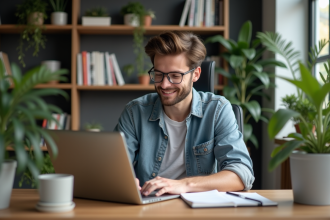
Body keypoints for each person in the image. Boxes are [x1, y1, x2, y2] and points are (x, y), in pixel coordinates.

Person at [114, 31, 254, 197]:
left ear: (195, 74)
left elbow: (241, 174)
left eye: (175, 76)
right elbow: (113, 167)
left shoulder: (217, 110)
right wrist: (122, 179)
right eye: (158, 74)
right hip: (149, 206)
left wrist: (184, 185)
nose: (164, 84)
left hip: (199, 208)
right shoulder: (134, 112)